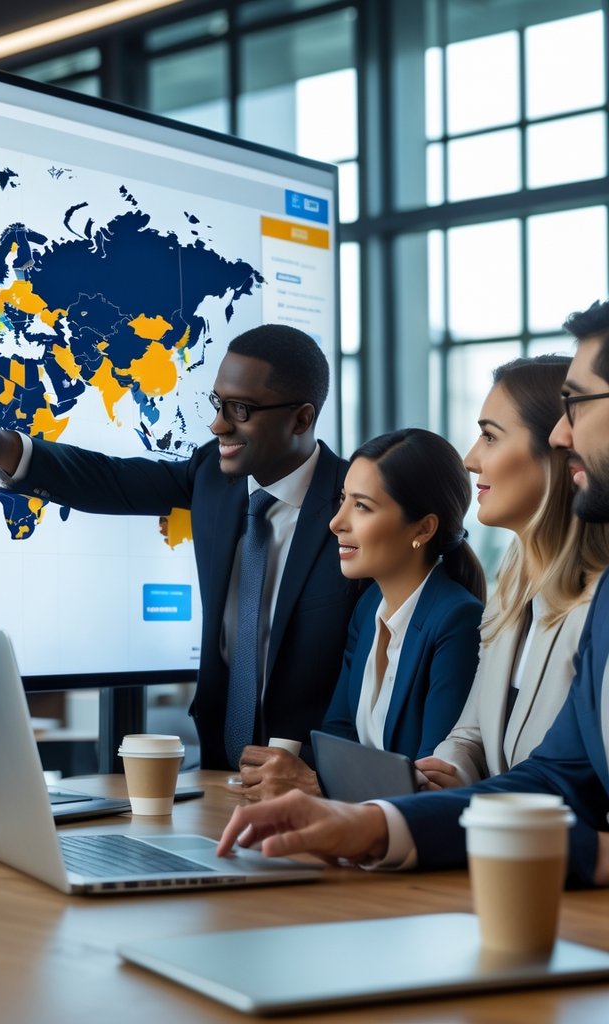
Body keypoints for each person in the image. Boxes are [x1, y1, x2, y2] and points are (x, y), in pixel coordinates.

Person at [216, 300, 609, 887]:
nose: (561, 434)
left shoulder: (484, 612)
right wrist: (380, 819)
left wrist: (358, 803)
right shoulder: (525, 598)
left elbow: (562, 794)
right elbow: (536, 769)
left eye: (490, 436)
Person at [0, 324, 363, 769]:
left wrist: (319, 773)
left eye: (241, 410)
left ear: (301, 419)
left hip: (317, 782)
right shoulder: (214, 477)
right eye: (218, 403)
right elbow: (113, 481)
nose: (218, 425)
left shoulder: (358, 509)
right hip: (220, 772)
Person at [236, 429, 485, 800]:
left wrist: (318, 784)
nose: (336, 522)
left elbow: (431, 780)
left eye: (362, 506)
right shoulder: (369, 607)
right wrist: (288, 768)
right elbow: (338, 737)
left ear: (423, 528)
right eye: (343, 500)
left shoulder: (457, 621)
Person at [416, 357, 609, 789]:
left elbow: (573, 782)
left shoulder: (598, 608)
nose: (470, 459)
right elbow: (471, 734)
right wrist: (447, 772)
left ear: (558, 451)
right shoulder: (512, 592)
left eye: (490, 436)